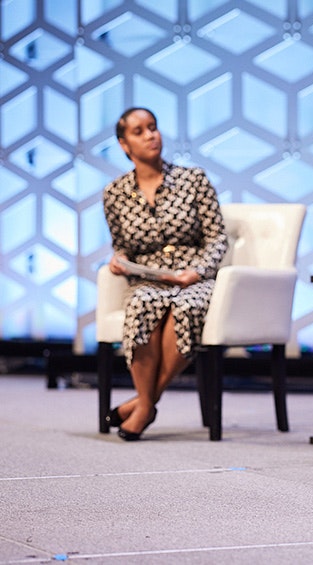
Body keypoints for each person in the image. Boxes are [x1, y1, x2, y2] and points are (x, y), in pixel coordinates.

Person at [102, 107, 228, 441]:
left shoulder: (193, 179)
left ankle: (143, 406)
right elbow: (122, 245)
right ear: (124, 144)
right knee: (143, 303)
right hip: (148, 279)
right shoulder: (114, 193)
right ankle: (146, 403)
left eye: (153, 128)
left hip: (193, 277)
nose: (150, 136)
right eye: (139, 131)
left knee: (186, 307)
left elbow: (217, 237)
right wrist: (119, 261)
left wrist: (198, 271)